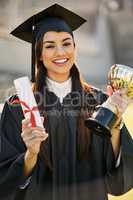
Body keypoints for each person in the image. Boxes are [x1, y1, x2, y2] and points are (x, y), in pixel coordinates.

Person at [0, 3, 133, 200]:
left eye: (66, 43)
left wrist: (114, 125)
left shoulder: (99, 102)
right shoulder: (18, 107)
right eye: (50, 46)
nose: (61, 52)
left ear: (75, 48)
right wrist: (31, 154)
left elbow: (119, 183)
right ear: (39, 54)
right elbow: (5, 183)